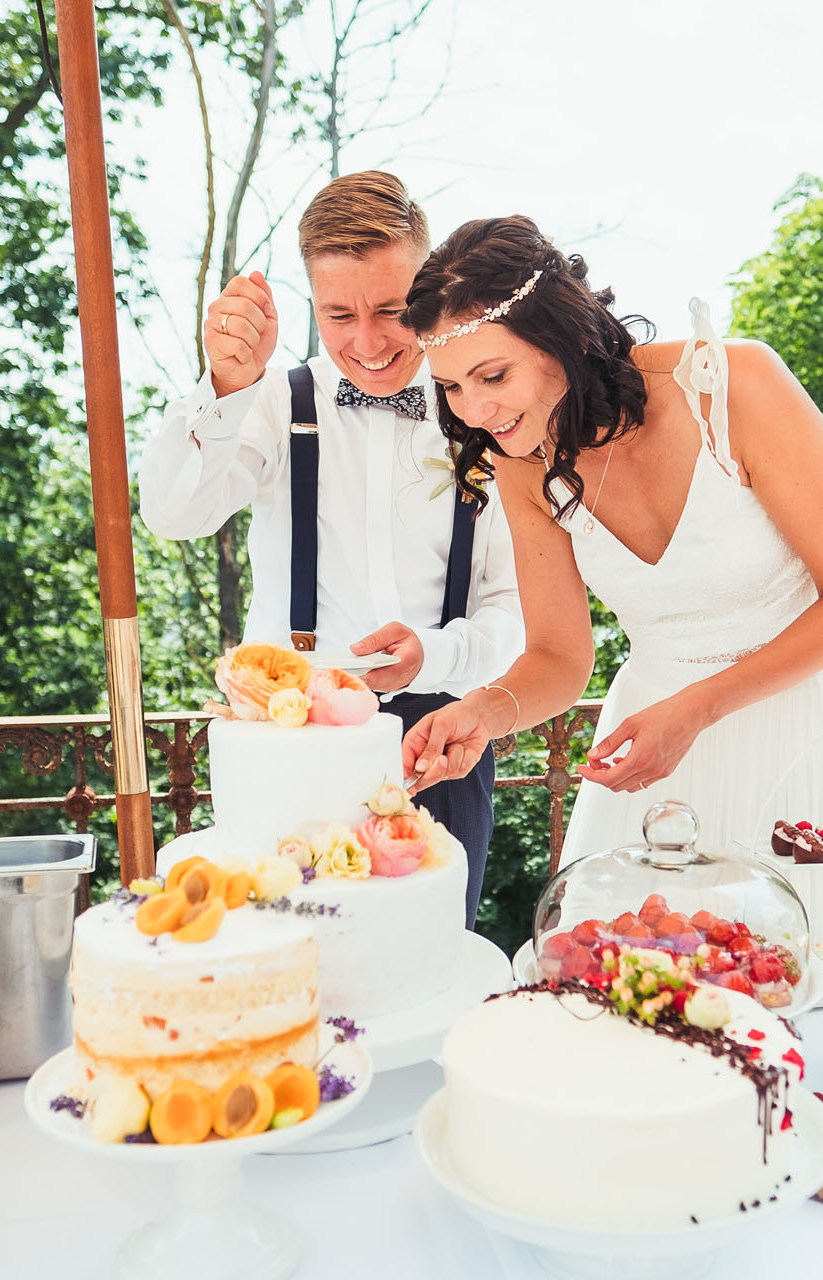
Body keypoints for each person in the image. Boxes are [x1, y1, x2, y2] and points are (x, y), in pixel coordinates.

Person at [398, 215, 823, 921]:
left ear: (558, 337)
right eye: (450, 387)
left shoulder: (733, 386)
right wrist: (481, 710)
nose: (474, 411)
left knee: (795, 982)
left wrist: (696, 709)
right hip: (652, 757)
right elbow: (559, 657)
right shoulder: (521, 460)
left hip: (800, 733)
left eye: (493, 375)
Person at [138, 173, 524, 924]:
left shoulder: (483, 411)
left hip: (439, 747)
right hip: (289, 744)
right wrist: (225, 384)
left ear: (430, 282)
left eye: (392, 309)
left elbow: (516, 608)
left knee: (424, 962)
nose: (369, 342)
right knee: (286, 954)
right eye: (339, 314)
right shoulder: (276, 400)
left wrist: (437, 657)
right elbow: (174, 513)